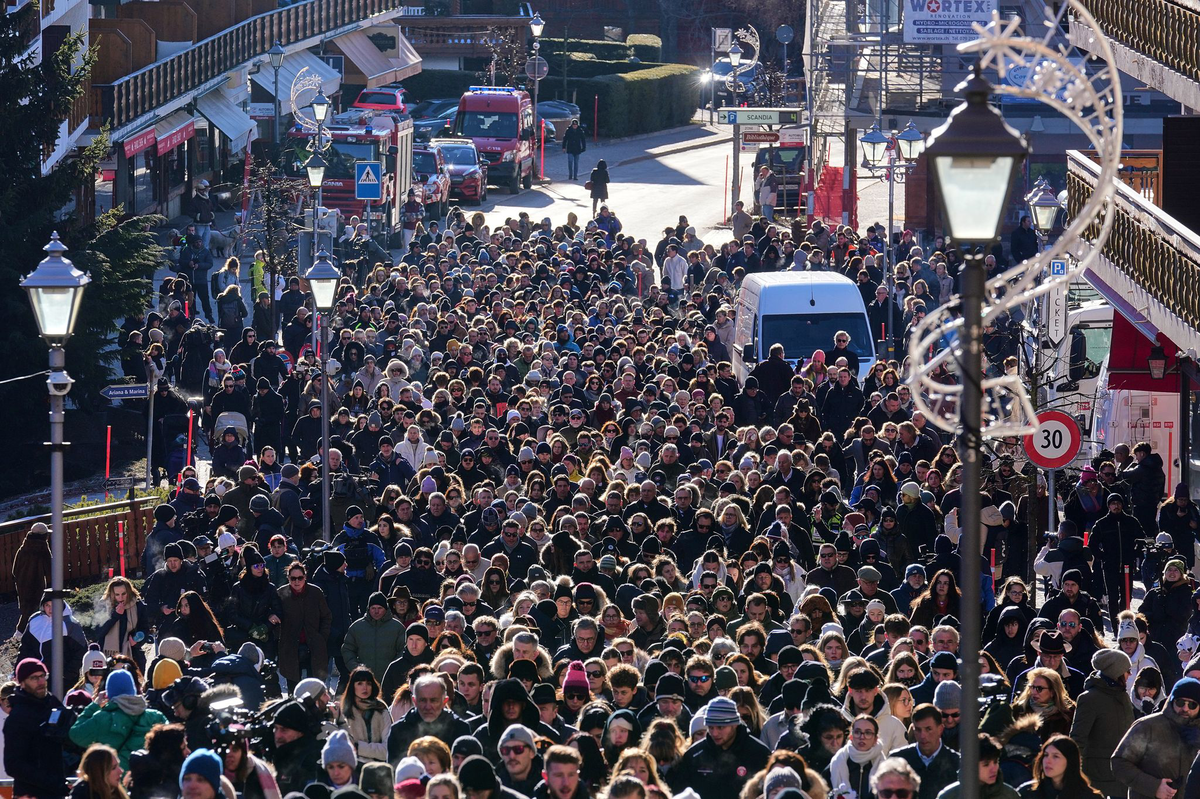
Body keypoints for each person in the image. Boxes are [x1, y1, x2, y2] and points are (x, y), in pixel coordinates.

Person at [1112, 677, 1200, 799]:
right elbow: (1119, 763)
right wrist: (1154, 787)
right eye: (1180, 702)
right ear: (1172, 701)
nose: (1185, 708)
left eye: (1192, 704)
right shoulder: (1148, 726)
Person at [3, 658, 77, 799]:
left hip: (57, 790)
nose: (41, 681)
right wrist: (52, 782)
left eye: (43, 676)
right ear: (22, 683)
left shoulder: (52, 703)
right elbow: (13, 765)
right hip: (30, 794)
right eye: (34, 678)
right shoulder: (18, 717)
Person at [68, 669, 167, 768]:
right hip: (147, 774)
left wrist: (94, 705)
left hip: (114, 775)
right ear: (133, 690)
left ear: (108, 693)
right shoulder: (156, 716)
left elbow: (75, 734)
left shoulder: (101, 718)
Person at [1017, 735, 1104, 799]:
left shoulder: (1089, 797)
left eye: (1055, 756)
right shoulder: (1028, 793)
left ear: (1070, 761)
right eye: (1046, 755)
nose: (1048, 761)